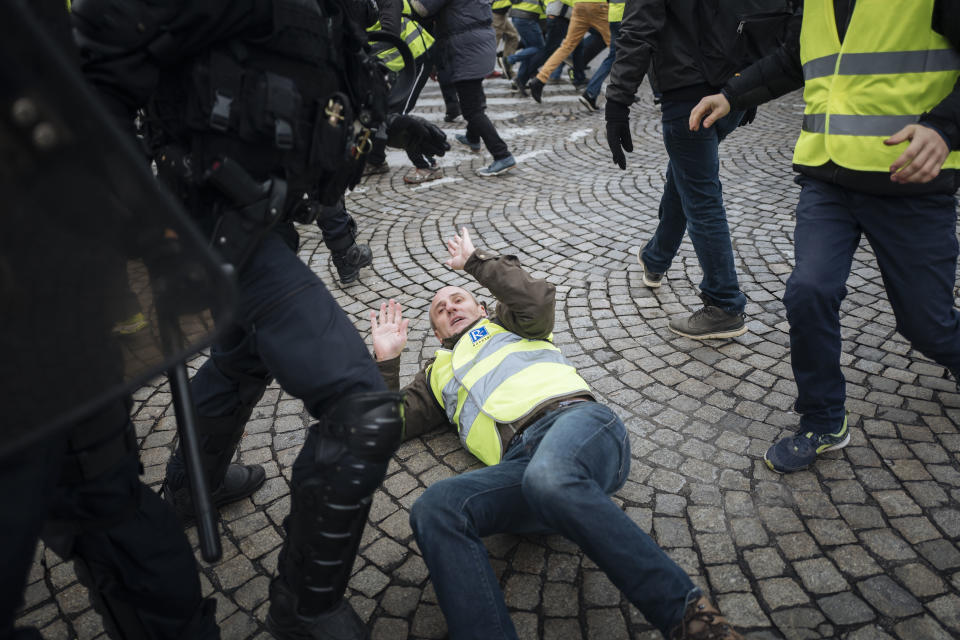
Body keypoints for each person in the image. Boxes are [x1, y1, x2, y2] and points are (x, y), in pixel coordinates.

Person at [73, 0, 448, 637]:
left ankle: (196, 489)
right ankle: (306, 604)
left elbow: (312, 98)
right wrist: (143, 214)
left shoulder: (338, 8)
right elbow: (85, 80)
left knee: (244, 353)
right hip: (203, 223)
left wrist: (390, 128)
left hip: (261, 224)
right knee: (360, 402)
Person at [368, 227, 742, 640]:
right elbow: (385, 428)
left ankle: (692, 621)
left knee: (549, 477)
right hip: (520, 468)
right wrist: (386, 363)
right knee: (435, 508)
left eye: (458, 298)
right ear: (437, 333)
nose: (450, 307)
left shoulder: (511, 323)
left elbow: (538, 297)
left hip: (577, 425)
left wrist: (476, 263)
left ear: (480, 305)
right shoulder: (435, 375)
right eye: (440, 308)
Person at [689, 0, 960, 472]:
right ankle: (823, 419)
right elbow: (794, 60)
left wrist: (944, 127)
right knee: (809, 290)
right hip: (826, 178)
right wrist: (732, 94)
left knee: (927, 324)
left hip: (907, 183)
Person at [604, 0, 752, 340]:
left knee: (701, 195)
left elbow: (638, 32)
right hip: (733, 88)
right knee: (686, 177)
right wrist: (752, 84)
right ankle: (656, 258)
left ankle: (724, 302)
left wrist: (617, 103)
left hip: (689, 93)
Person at [409, 0, 518, 176]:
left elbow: (421, 9)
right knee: (474, 96)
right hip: (479, 42)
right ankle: (472, 138)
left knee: (472, 110)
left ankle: (502, 155)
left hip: (465, 47)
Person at [527, 0, 610, 103]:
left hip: (579, 5)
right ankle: (622, 89)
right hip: (598, 5)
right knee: (617, 47)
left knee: (567, 46)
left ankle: (540, 79)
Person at [578, 0, 623, 111]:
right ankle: (658, 95)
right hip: (627, 16)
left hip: (614, 15)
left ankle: (591, 93)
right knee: (644, 51)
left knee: (615, 56)